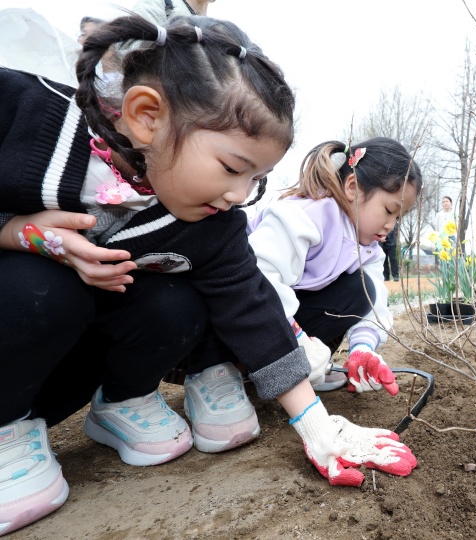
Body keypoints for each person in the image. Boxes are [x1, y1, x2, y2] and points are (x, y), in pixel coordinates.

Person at [0, 14, 415, 536]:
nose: (240, 194)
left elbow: (252, 309)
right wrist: (15, 231)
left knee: (178, 303)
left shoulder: (211, 225)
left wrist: (317, 426)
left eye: (256, 179)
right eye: (231, 167)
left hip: (70, 367)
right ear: (147, 116)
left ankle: (121, 401)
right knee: (45, 291)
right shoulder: (26, 116)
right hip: (20, 327)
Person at [245, 137, 422, 395]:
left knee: (363, 290)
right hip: (238, 313)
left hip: (278, 321)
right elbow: (259, 278)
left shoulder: (368, 247)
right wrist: (298, 341)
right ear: (353, 187)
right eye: (388, 210)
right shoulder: (307, 215)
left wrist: (363, 349)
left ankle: (299, 366)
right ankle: (227, 373)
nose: (391, 225)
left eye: (398, 217)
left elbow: (376, 306)